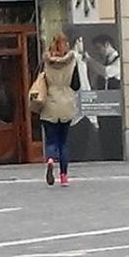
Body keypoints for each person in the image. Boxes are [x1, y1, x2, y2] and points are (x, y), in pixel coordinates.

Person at [40, 32, 80, 187]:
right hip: (66, 104)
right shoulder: (72, 62)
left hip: (49, 103)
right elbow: (76, 85)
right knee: (63, 142)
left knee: (51, 140)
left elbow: (38, 79)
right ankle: (63, 176)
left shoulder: (46, 61)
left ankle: (50, 159)